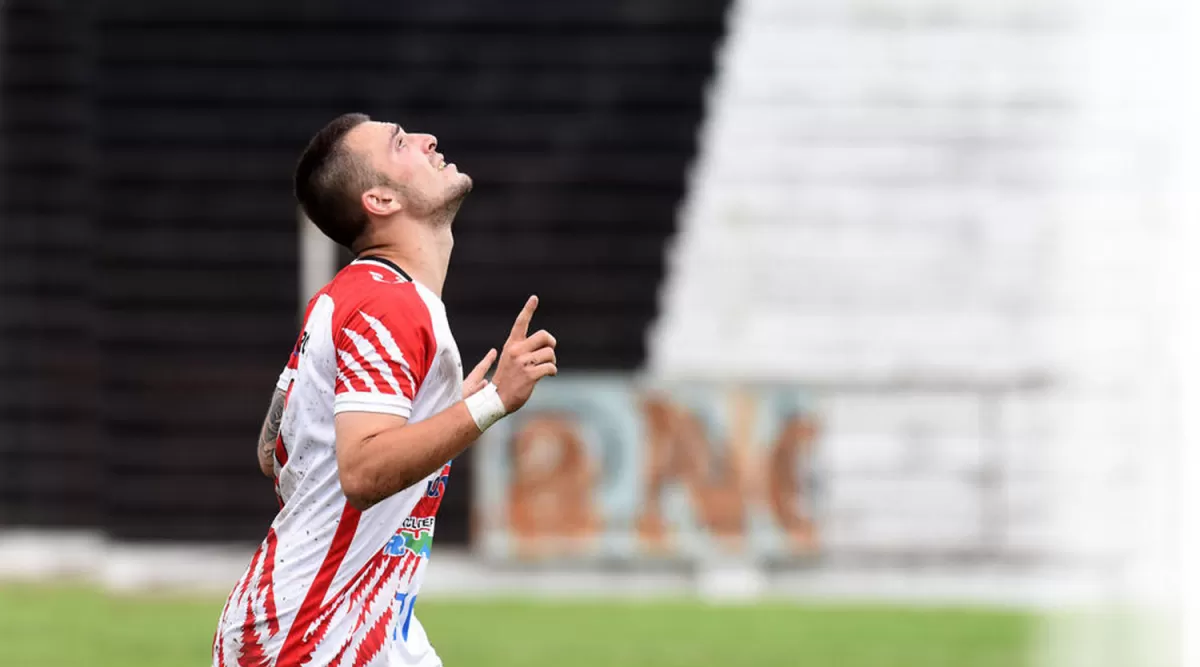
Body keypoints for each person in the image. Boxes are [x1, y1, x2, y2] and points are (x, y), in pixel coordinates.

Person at [211, 113, 558, 667]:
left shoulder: (354, 294)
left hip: (367, 619)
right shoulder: (387, 304)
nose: (427, 140)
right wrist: (492, 402)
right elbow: (363, 471)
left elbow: (271, 449)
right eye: (401, 142)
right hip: (315, 634)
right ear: (379, 200)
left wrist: (440, 413)